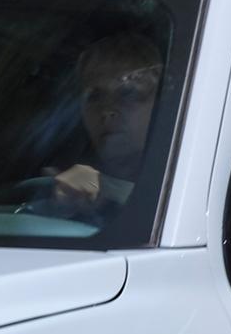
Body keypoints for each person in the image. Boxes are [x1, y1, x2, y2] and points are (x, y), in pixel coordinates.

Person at [24, 29, 165, 225]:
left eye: (128, 94)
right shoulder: (59, 185)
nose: (107, 109)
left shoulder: (184, 189)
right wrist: (62, 208)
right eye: (94, 96)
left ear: (162, 106)